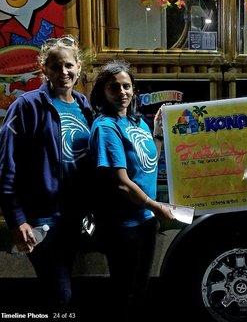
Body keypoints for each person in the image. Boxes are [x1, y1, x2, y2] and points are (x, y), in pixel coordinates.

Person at [0, 35, 93, 307]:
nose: (63, 72)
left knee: (63, 288)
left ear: (78, 67)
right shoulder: (27, 106)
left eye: (68, 66)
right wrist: (18, 219)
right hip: (41, 218)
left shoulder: (83, 106)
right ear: (44, 69)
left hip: (75, 217)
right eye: (55, 66)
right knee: (59, 294)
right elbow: (6, 166)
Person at [88, 60, 174, 321]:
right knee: (124, 295)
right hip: (123, 227)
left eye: (127, 86)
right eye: (114, 87)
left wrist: (158, 132)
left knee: (140, 292)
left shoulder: (138, 123)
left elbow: (149, 163)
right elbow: (122, 183)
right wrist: (156, 205)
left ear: (134, 91)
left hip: (145, 221)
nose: (122, 92)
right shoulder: (106, 127)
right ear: (103, 91)